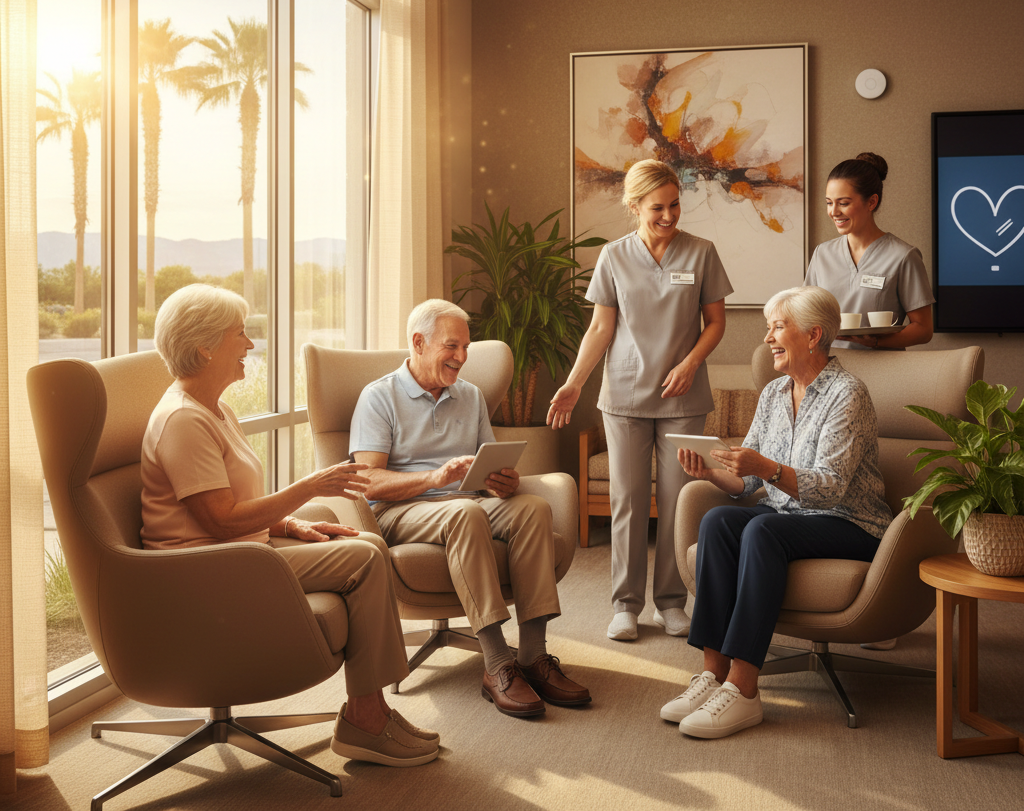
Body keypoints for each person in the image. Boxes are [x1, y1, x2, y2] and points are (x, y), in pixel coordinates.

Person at [141, 284, 438, 767]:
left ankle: (372, 709)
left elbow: (229, 505)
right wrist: (309, 487)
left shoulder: (215, 409)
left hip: (241, 553)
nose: (250, 344)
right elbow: (219, 522)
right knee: (365, 557)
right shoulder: (183, 421)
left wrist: (290, 523)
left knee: (365, 543)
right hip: (203, 570)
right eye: (240, 334)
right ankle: (366, 718)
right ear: (205, 347)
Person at [662, 285, 891, 739]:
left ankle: (744, 690)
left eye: (777, 327)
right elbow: (747, 483)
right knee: (718, 521)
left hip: (851, 523)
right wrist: (711, 472)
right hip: (790, 519)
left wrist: (765, 467)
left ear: (813, 335)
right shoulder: (772, 393)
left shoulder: (848, 394)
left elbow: (828, 488)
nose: (767, 338)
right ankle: (712, 673)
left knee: (763, 530)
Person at [349, 298, 591, 719]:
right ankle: (497, 664)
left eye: (465, 347)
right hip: (401, 509)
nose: (461, 357)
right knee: (467, 513)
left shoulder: (471, 395)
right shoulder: (379, 396)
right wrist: (434, 478)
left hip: (467, 501)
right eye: (452, 346)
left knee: (532, 508)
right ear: (419, 343)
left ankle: (534, 656)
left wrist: (502, 481)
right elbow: (366, 480)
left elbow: (486, 463)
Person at [547, 159, 731, 643]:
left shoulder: (702, 252)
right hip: (625, 394)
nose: (668, 216)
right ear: (634, 207)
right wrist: (574, 383)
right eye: (657, 208)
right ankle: (625, 606)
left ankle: (671, 603)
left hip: (683, 396)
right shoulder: (614, 256)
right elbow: (600, 328)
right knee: (627, 502)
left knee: (677, 501)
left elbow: (715, 323)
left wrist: (690, 363)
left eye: (674, 205)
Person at [805, 152, 934, 351]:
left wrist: (876, 342)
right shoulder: (822, 254)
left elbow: (924, 329)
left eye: (843, 203)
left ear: (871, 202)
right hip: (827, 365)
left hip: (880, 367)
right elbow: (806, 314)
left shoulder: (903, 256)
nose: (834, 212)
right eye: (829, 203)